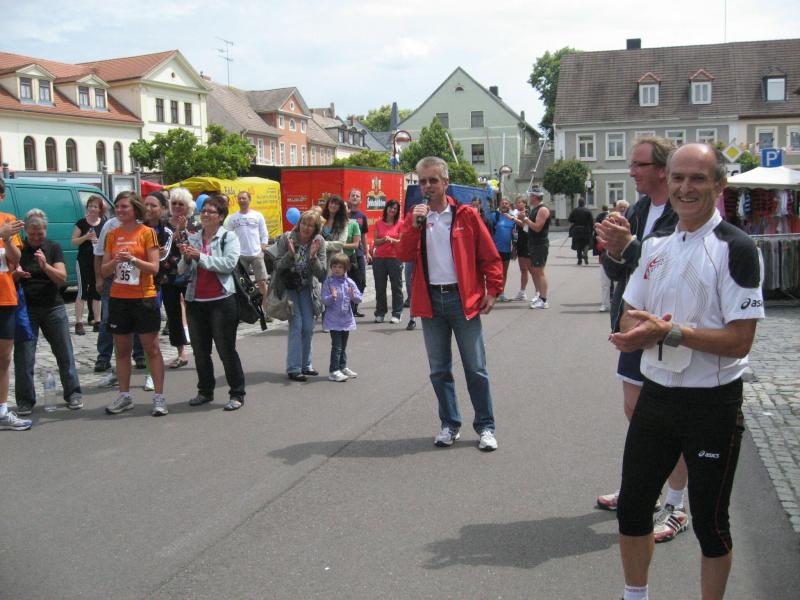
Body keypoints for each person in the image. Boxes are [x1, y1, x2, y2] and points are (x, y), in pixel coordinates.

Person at [609, 143, 764, 600]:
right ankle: (635, 595)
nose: (685, 188)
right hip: (657, 397)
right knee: (633, 509)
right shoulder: (654, 245)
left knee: (711, 525)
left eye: (698, 178)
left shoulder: (737, 248)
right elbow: (628, 313)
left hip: (711, 403)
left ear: (720, 185)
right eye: (678, 178)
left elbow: (740, 340)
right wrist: (636, 332)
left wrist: (670, 333)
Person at [595, 137, 687, 544]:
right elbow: (618, 272)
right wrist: (614, 251)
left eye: (638, 165)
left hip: (664, 328)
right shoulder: (637, 209)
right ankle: (641, 488)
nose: (630, 171)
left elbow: (666, 266)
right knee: (635, 412)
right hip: (631, 327)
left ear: (662, 170)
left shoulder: (682, 212)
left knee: (670, 422)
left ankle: (676, 504)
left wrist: (628, 246)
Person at [396, 156, 503, 451]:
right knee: (439, 370)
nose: (427, 186)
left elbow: (489, 256)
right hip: (431, 301)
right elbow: (404, 255)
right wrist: (414, 226)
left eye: (433, 180)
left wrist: (493, 290)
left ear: (445, 182)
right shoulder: (416, 217)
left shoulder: (466, 215)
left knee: (475, 368)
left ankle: (486, 426)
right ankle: (450, 424)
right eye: (422, 181)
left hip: (462, 299)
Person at [101, 191, 166, 416]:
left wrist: (133, 259)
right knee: (122, 350)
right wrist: (115, 261)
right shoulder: (112, 235)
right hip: (119, 299)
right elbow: (104, 270)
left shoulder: (147, 233)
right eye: (117, 207)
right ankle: (124, 395)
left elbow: (154, 268)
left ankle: (159, 397)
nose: (119, 210)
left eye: (124, 206)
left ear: (135, 208)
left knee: (152, 349)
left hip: (143, 298)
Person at [178, 194, 246, 411]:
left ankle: (237, 393)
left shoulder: (228, 237)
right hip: (196, 300)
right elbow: (182, 270)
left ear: (221, 216)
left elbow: (228, 264)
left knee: (226, 350)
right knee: (200, 351)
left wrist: (200, 257)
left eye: (210, 211)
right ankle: (205, 391)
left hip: (222, 301)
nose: (205, 214)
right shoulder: (194, 238)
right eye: (203, 210)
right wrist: (186, 258)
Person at [13, 209, 82, 414]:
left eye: (40, 234)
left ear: (45, 230)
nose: (36, 238)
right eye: (32, 234)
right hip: (27, 309)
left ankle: (73, 393)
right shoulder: (19, 248)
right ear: (26, 231)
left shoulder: (53, 247)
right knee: (24, 356)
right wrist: (16, 275)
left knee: (64, 352)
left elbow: (62, 278)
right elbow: (9, 276)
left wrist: (46, 267)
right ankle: (25, 400)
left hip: (53, 306)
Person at [273, 210, 327, 381]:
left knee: (308, 327)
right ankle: (294, 368)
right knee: (296, 326)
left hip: (307, 287)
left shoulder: (319, 241)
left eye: (311, 225)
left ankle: (306, 364)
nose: (306, 227)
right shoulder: (287, 238)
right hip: (289, 287)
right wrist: (290, 255)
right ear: (299, 223)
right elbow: (277, 266)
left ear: (316, 228)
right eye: (304, 223)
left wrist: (313, 257)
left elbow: (322, 274)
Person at [0, 179, 31, 431]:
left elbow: (16, 259)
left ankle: (2, 410)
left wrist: (7, 239)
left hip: (5, 296)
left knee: (4, 357)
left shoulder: (8, 220)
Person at [160, 187, 195, 369]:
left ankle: (200, 347)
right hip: (168, 274)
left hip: (189, 273)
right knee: (173, 314)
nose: (177, 207)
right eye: (174, 203)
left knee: (194, 312)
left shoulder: (194, 223)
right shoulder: (163, 223)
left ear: (188, 206)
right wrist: (177, 231)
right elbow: (163, 246)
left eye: (181, 204)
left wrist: (183, 230)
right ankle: (181, 353)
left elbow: (195, 245)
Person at [321, 253, 361, 382]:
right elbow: (324, 300)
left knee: (343, 346)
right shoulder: (328, 282)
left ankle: (342, 367)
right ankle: (334, 371)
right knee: (337, 347)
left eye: (340, 267)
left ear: (345, 268)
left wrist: (353, 295)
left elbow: (358, 298)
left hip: (346, 319)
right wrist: (331, 297)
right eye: (334, 266)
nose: (337, 269)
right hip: (333, 320)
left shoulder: (349, 282)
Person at [226, 190, 269, 309]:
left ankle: (265, 308)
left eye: (243, 198)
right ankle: (248, 309)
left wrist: (264, 245)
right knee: (242, 284)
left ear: (249, 200)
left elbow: (264, 232)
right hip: (241, 255)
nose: (241, 200)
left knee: (262, 282)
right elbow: (228, 235)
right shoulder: (233, 218)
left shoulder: (257, 215)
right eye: (239, 198)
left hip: (256, 254)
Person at [71, 195, 106, 334]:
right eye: (90, 206)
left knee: (97, 291)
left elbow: (107, 240)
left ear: (100, 209)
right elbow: (74, 241)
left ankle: (97, 321)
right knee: (82, 291)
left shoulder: (103, 223)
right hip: (83, 261)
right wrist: (85, 237)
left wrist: (98, 241)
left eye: (95, 206)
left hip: (97, 261)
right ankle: (79, 322)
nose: (92, 208)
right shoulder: (81, 223)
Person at [371, 199, 404, 324]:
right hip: (379, 258)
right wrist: (384, 239)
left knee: (396, 287)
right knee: (380, 287)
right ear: (387, 208)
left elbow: (401, 241)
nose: (392, 210)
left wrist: (392, 240)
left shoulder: (401, 223)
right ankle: (380, 313)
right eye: (391, 207)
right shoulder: (379, 223)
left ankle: (397, 313)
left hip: (395, 258)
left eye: (395, 209)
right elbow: (375, 241)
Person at [525, 187, 551, 309]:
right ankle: (540, 297)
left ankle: (543, 300)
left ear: (534, 197)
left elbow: (537, 227)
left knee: (540, 271)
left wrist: (526, 219)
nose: (529, 198)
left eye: (530, 196)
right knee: (536, 270)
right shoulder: (535, 209)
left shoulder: (542, 209)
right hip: (534, 244)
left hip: (540, 244)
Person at [488, 197, 516, 302]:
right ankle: (493, 293)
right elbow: (488, 230)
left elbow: (514, 235)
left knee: (504, 273)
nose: (504, 205)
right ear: (500, 205)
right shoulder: (495, 216)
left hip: (507, 250)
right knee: (495, 273)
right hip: (495, 250)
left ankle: (501, 293)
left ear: (509, 206)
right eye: (503, 203)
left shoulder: (513, 218)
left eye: (506, 203)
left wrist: (514, 249)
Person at [509, 194, 536, 302]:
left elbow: (525, 226)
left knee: (531, 269)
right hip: (520, 243)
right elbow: (516, 230)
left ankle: (538, 292)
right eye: (517, 202)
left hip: (527, 243)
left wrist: (513, 218)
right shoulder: (516, 213)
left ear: (525, 203)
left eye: (520, 202)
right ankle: (522, 292)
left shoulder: (527, 213)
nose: (518, 204)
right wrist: (514, 246)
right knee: (523, 269)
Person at [347, 189, 369, 317]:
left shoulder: (362, 216)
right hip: (347, 254)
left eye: (357, 196)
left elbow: (364, 236)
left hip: (359, 253)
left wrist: (367, 252)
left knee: (361, 282)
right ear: (349, 198)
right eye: (353, 195)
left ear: (360, 200)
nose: (355, 197)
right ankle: (349, 309)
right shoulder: (345, 214)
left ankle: (354, 307)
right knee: (349, 282)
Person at [320, 195, 359, 266]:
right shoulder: (320, 218)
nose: (333, 205)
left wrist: (323, 244)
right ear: (328, 204)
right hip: (320, 257)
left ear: (340, 207)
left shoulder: (343, 222)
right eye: (331, 203)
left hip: (335, 259)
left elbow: (341, 243)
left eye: (336, 204)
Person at [593, 205, 612, 312]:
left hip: (618, 261)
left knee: (618, 285)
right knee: (605, 284)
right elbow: (598, 247)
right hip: (604, 260)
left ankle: (619, 304)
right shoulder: (600, 233)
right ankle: (605, 304)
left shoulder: (618, 232)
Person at [568, 198, 594, 265]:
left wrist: (575, 221)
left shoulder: (574, 210)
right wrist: (591, 231)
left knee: (578, 245)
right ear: (584, 203)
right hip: (586, 230)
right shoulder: (588, 211)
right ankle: (585, 253)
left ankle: (579, 260)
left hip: (577, 230)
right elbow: (591, 222)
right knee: (587, 243)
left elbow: (570, 219)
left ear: (578, 203)